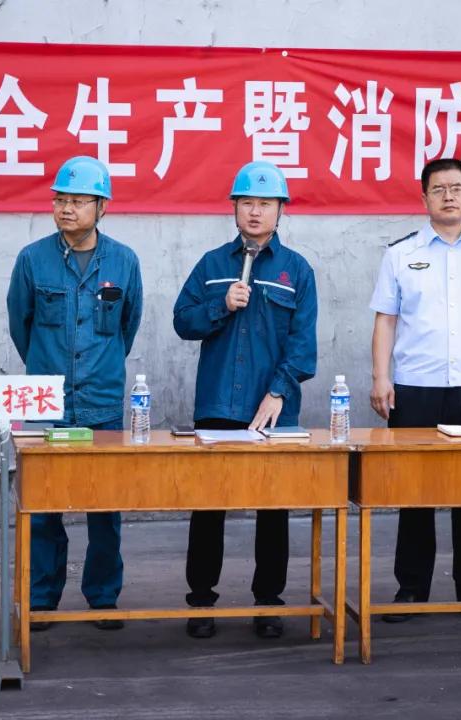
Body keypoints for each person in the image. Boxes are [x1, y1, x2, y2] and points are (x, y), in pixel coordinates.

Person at [368, 157, 461, 625]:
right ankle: (412, 590)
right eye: (438, 189)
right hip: (416, 389)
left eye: (456, 188)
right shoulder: (400, 254)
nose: (448, 196)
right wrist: (380, 377)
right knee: (415, 494)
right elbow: (386, 320)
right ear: (424, 199)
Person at [173, 161, 317, 640]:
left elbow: (303, 346)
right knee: (208, 508)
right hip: (217, 405)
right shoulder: (212, 265)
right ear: (234, 208)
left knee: (273, 510)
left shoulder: (297, 270)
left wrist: (278, 391)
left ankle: (268, 602)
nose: (256, 212)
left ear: (280, 210)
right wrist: (220, 305)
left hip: (273, 410)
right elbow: (182, 321)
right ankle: (201, 601)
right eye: (247, 203)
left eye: (266, 204)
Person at [6, 155, 143, 632]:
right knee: (43, 507)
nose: (66, 208)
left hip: (102, 403)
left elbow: (127, 326)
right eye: (60, 199)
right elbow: (20, 325)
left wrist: (98, 368)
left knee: (105, 506)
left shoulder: (123, 261)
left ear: (102, 207)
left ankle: (103, 598)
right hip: (45, 402)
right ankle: (43, 599)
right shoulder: (32, 260)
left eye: (78, 200)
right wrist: (47, 370)